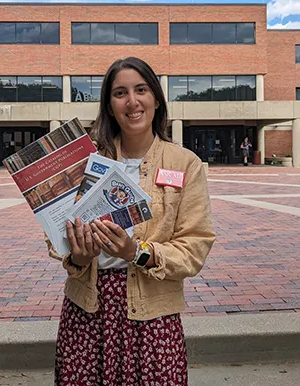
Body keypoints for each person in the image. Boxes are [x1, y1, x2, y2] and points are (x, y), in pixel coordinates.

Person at [52, 57, 216, 385]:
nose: (132, 101)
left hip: (153, 315)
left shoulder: (185, 164)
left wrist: (137, 251)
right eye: (120, 93)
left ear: (156, 98)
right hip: (88, 311)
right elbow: (56, 232)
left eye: (141, 90)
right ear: (109, 107)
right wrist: (79, 256)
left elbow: (195, 245)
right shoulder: (87, 160)